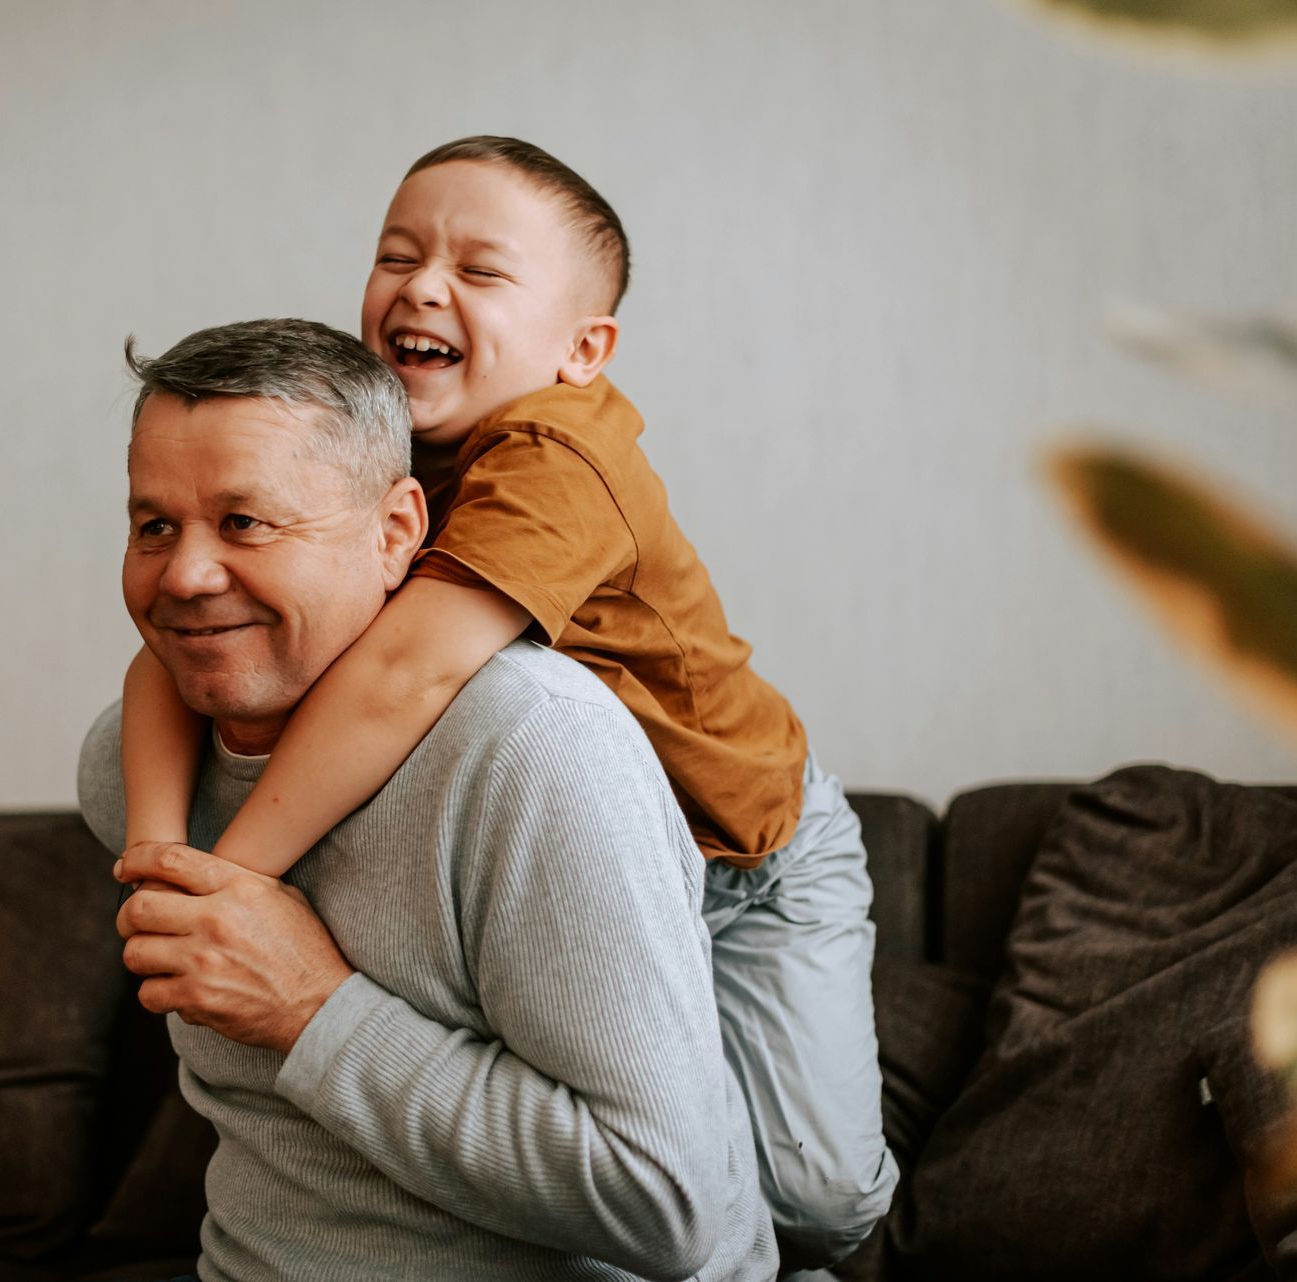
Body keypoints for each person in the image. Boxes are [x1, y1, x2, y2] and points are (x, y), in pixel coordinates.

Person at [118, 137, 895, 1268]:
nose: (424, 286)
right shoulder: (375, 449)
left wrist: (234, 884)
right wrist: (156, 863)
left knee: (815, 1195)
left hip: (746, 853)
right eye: (399, 255)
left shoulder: (560, 457)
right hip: (597, 867)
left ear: (584, 349)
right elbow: (167, 654)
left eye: (480, 272)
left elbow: (405, 674)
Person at [79, 316, 776, 1281]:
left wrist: (311, 1008)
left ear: (398, 531)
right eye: (154, 525)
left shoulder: (535, 750)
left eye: (247, 522)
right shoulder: (126, 766)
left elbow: (670, 1202)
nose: (187, 575)